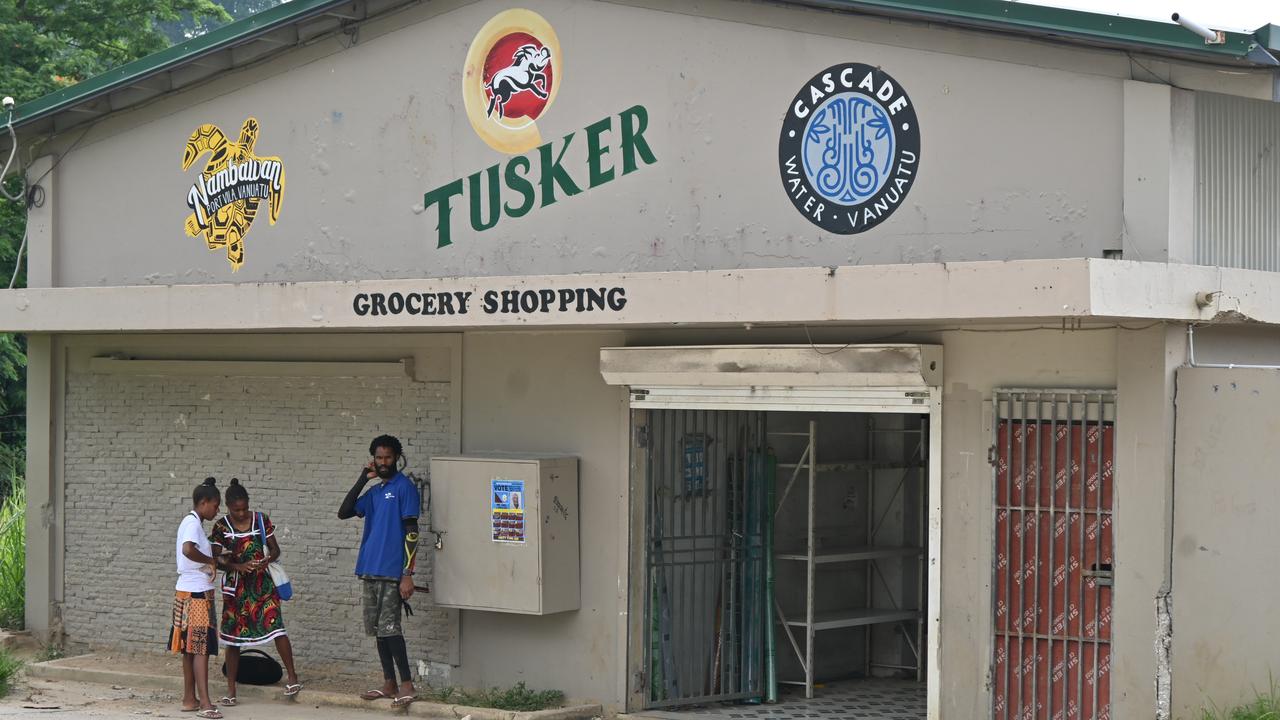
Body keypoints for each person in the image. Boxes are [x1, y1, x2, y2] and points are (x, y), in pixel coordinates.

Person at [337, 434, 422, 708]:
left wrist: (407, 573)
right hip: (370, 569)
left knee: (391, 629)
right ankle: (389, 683)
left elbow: (412, 532)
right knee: (378, 631)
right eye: (378, 458)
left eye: (387, 457)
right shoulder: (374, 492)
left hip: (392, 572)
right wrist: (364, 478)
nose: (383, 462)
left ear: (396, 457)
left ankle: (407, 684)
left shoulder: (404, 488)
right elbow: (345, 511)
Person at [211, 478, 302, 705]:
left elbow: (275, 549)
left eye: (244, 508)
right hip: (237, 590)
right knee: (233, 639)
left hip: (263, 586)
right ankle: (231, 690)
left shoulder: (261, 520)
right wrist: (236, 566)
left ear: (249, 503)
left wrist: (266, 560)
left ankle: (292, 677)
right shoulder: (221, 527)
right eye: (236, 510)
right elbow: (215, 558)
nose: (241, 514)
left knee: (276, 627)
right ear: (228, 507)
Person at [169, 477, 223, 719]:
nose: (217, 510)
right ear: (203, 503)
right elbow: (188, 550)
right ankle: (206, 704)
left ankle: (189, 699)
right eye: (215, 505)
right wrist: (210, 561)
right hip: (197, 594)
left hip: (186, 591)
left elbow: (194, 549)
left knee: (189, 649)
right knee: (200, 648)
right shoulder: (192, 524)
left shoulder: (192, 523)